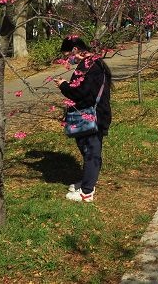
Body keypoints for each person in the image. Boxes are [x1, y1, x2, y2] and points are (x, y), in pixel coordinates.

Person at [55, 36, 112, 203]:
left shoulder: (90, 66)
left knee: (91, 152)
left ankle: (87, 191)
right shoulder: (91, 63)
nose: (67, 60)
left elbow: (80, 93)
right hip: (92, 114)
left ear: (75, 51)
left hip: (94, 116)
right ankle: (88, 181)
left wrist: (64, 86)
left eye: (67, 55)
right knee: (88, 150)